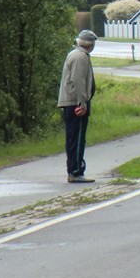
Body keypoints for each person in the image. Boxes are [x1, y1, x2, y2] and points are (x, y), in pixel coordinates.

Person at [57, 30, 97, 183]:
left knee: (73, 138)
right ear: (90, 44)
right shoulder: (80, 57)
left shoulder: (75, 54)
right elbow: (78, 81)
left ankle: (75, 169)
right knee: (77, 139)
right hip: (75, 103)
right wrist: (82, 103)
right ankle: (75, 171)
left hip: (72, 102)